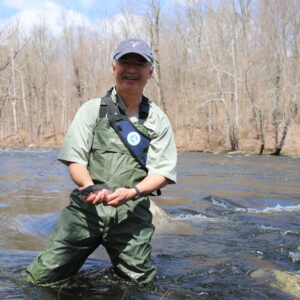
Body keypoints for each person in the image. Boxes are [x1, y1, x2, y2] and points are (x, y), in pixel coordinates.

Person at [25, 38, 177, 286]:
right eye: (124, 61)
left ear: (150, 71)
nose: (131, 69)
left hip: (132, 214)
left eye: (140, 64)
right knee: (40, 279)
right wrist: (89, 186)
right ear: (113, 68)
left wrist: (133, 192)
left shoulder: (158, 120)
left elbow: (163, 173)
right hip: (86, 211)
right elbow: (75, 160)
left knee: (141, 285)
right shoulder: (92, 110)